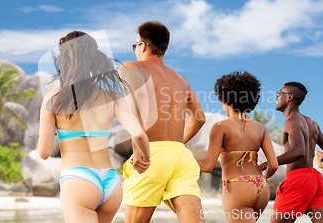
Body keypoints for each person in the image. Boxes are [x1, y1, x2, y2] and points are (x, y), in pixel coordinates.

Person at [38, 31, 151, 223]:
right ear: (94, 58)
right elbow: (139, 135)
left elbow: (44, 152)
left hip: (78, 181)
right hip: (110, 182)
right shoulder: (113, 97)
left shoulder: (53, 99)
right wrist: (145, 159)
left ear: (63, 60)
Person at [119, 21, 206, 223]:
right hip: (181, 157)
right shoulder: (181, 79)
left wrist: (139, 148)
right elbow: (199, 118)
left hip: (150, 152)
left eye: (135, 46)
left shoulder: (131, 67)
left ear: (143, 46)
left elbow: (136, 105)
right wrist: (176, 144)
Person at [196, 71, 278, 222]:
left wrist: (181, 157)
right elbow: (273, 165)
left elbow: (208, 166)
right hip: (261, 186)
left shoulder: (220, 127)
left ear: (225, 100)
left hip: (238, 187)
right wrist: (258, 180)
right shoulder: (261, 128)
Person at [260, 82, 323, 223]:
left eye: (279, 93)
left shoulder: (291, 121)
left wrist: (266, 164)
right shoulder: (313, 123)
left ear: (289, 97)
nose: (276, 97)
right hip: (315, 179)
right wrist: (320, 156)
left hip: (298, 179)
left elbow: (298, 150)